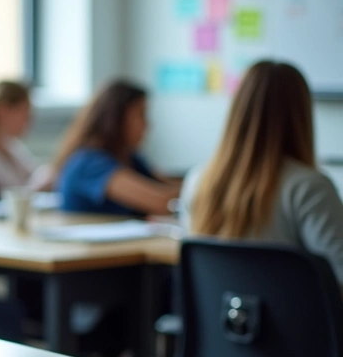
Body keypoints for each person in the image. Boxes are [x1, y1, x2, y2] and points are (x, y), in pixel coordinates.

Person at [182, 60, 343, 285]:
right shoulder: (309, 188)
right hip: (295, 320)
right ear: (301, 115)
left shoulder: (198, 180)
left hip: (219, 320)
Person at [52, 79, 180, 216]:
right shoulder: (89, 163)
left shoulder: (129, 157)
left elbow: (166, 185)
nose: (147, 125)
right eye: (141, 115)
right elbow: (162, 202)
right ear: (116, 119)